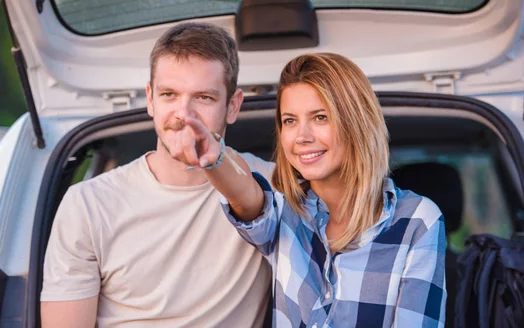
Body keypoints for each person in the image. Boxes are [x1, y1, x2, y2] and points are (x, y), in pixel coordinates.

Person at [170, 53, 447, 327]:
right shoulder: (285, 212)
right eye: (289, 121)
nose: (302, 136)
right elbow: (246, 194)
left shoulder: (417, 220)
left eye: (320, 117)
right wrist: (215, 158)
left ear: (356, 121)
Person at [40, 22, 273, 327]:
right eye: (169, 95)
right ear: (150, 99)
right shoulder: (88, 204)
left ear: (233, 106)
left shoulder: (273, 183)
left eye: (203, 97)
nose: (183, 114)